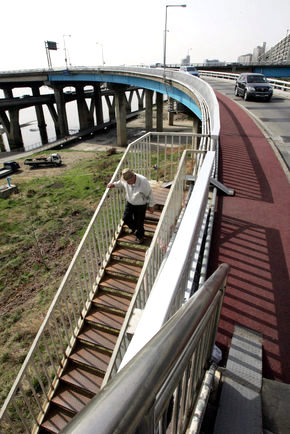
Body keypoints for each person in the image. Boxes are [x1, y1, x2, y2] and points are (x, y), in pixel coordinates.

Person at [107, 168, 154, 244]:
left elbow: (149, 193)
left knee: (139, 222)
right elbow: (121, 183)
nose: (127, 183)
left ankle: (140, 237)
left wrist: (151, 205)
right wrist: (114, 184)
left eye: (129, 181)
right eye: (126, 181)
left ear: (133, 177)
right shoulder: (126, 181)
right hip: (130, 202)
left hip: (140, 205)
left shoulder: (143, 181)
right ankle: (134, 228)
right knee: (126, 218)